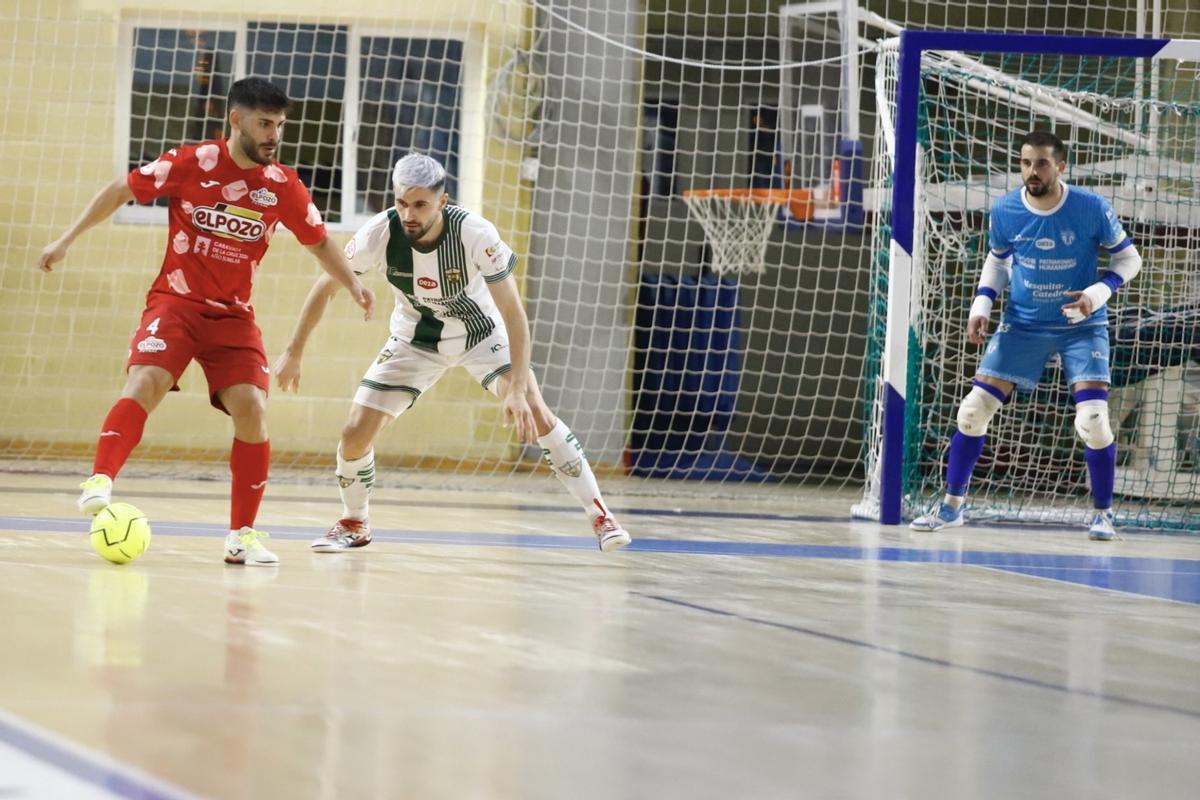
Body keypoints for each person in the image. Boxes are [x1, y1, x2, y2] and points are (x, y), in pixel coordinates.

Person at [38, 77, 375, 565]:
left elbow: (320, 242)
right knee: (146, 381)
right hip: (175, 303)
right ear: (236, 120)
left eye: (279, 125)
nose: (273, 135)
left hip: (233, 317)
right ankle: (100, 480)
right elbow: (122, 188)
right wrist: (66, 239)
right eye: (264, 124)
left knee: (253, 408)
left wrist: (353, 285)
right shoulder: (192, 162)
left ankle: (242, 536)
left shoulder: (282, 186)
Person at [273, 153, 633, 553]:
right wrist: (294, 351)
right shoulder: (380, 233)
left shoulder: (475, 233)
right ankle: (354, 522)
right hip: (414, 340)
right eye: (401, 203)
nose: (409, 214)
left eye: (420, 205)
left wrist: (516, 387)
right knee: (354, 433)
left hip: (481, 335)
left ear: (442, 202)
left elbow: (513, 313)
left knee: (535, 408)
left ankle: (601, 515)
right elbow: (325, 286)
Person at [910, 131, 1143, 541]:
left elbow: (1129, 259)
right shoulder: (1005, 210)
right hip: (1022, 324)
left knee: (1093, 421)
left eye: (1042, 164)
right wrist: (981, 306)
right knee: (971, 411)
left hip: (1080, 326)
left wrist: (1096, 294)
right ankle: (951, 507)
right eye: (1025, 163)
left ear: (1061, 167)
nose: (1032, 171)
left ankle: (1103, 515)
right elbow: (998, 262)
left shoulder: (1091, 208)